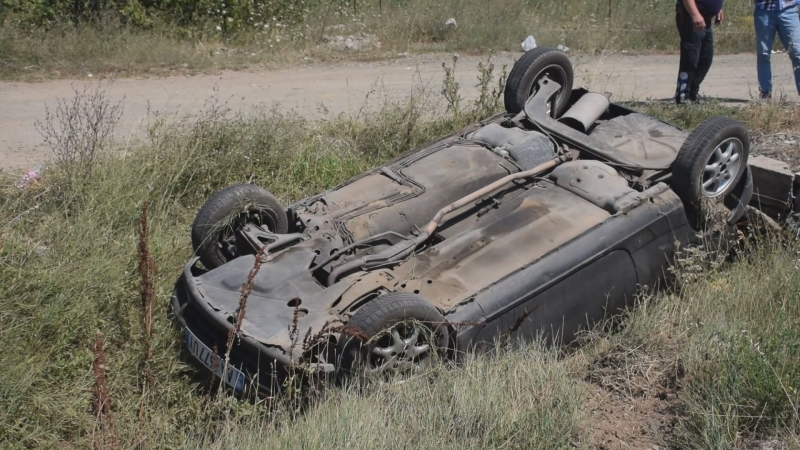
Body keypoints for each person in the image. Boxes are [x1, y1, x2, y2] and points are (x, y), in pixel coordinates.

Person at [674, 0, 724, 104]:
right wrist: (695, 14)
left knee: (706, 58)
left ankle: (692, 94)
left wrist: (717, 9)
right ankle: (682, 95)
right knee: (691, 58)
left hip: (706, 19)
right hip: (691, 16)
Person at [754, 0, 800, 101]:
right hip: (764, 10)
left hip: (789, 9)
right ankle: (765, 93)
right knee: (764, 54)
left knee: (797, 53)